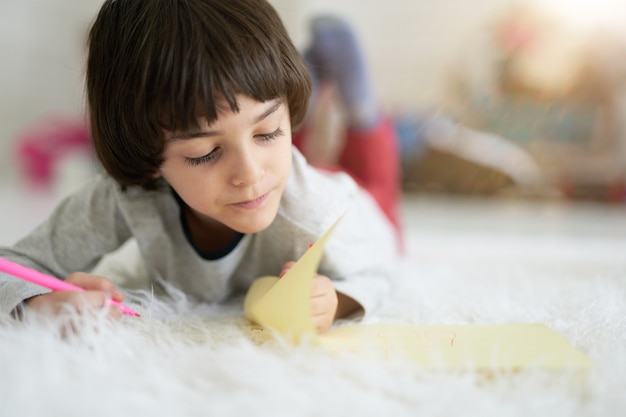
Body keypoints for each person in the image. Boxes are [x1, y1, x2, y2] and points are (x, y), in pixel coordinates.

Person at [0, 0, 401, 333]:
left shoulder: (319, 209)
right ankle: (297, 108)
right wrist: (37, 306)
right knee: (265, 127)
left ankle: (361, 111)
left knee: (378, 188)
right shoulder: (127, 197)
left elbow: (385, 267)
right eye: (205, 153)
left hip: (356, 202)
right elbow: (14, 267)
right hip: (290, 155)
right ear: (146, 152)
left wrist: (339, 300)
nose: (249, 173)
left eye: (267, 132)